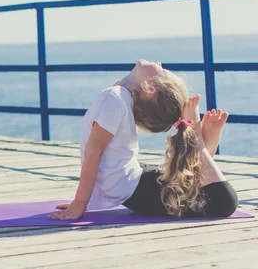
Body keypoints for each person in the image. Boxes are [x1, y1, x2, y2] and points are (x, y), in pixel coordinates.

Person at [49, 60, 238, 220]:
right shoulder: (117, 98)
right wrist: (82, 201)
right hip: (138, 187)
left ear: (149, 88)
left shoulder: (114, 98)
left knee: (218, 198)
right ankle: (200, 147)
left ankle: (198, 141)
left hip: (139, 187)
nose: (160, 64)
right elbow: (96, 153)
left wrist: (80, 203)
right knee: (211, 194)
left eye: (162, 71)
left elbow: (94, 151)